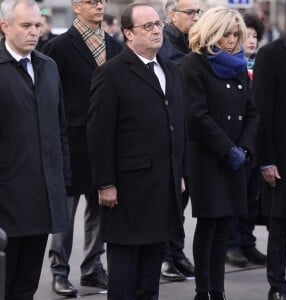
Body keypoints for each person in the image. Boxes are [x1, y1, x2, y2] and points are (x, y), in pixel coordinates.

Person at [87, 3, 188, 299]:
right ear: (128, 34)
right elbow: (99, 134)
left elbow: (179, 125)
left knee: (149, 279)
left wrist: (181, 171)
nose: (157, 30)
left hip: (162, 186)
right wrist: (105, 183)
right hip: (128, 191)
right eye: (148, 26)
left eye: (158, 24)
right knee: (124, 278)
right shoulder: (112, 73)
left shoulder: (170, 69)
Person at [41, 0, 123, 297]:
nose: (98, 6)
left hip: (106, 140)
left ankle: (92, 267)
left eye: (101, 1)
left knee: (102, 207)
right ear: (76, 7)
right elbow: (49, 95)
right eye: (91, 1)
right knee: (65, 212)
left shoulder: (115, 46)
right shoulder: (59, 47)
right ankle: (59, 271)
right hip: (73, 140)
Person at [181, 6, 259, 300]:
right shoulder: (193, 64)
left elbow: (252, 112)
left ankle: (219, 290)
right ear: (212, 32)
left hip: (236, 158)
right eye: (226, 33)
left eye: (235, 33)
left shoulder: (238, 65)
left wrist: (245, 148)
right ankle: (204, 291)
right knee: (209, 224)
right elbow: (197, 115)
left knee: (225, 225)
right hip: (208, 158)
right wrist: (227, 149)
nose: (232, 39)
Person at [0, 0, 71, 299]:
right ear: (4, 27)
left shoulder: (48, 66)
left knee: (27, 284)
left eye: (37, 25)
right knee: (4, 283)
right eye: (25, 25)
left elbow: (60, 129)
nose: (33, 32)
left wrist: (63, 181)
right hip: (6, 201)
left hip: (42, 197)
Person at [253, 6, 286, 300]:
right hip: (282, 157)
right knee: (279, 227)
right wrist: (266, 160)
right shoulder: (270, 54)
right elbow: (261, 111)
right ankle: (277, 287)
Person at [158, 0, 203, 282]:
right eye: (191, 13)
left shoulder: (191, 41)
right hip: (172, 129)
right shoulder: (166, 43)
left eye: (199, 12)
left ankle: (175, 252)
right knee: (170, 199)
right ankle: (165, 257)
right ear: (172, 15)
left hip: (189, 131)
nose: (196, 17)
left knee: (181, 198)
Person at [225, 13, 267, 268]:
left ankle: (248, 242)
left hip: (257, 141)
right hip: (237, 141)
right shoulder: (234, 65)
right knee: (236, 195)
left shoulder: (261, 64)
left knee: (253, 196)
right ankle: (233, 244)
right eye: (247, 35)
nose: (251, 40)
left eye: (255, 36)